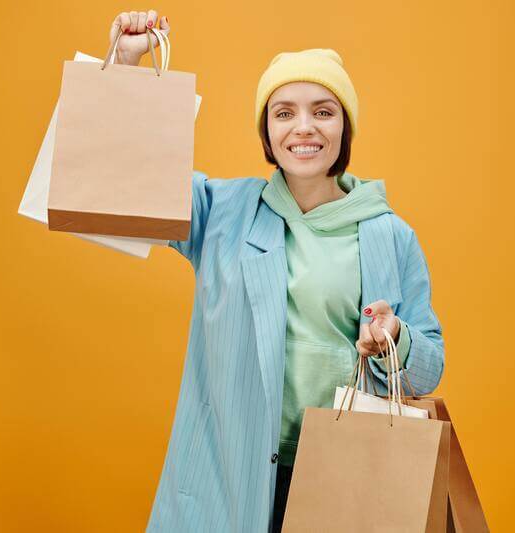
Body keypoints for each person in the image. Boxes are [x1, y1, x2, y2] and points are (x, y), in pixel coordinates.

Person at [110, 10, 445, 533]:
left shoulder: (389, 234)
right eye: (284, 112)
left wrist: (396, 335)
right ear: (267, 131)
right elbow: (135, 176)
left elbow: (428, 369)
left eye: (324, 111)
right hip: (229, 475)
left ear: (345, 126)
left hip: (344, 478)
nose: (304, 127)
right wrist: (129, 65)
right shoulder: (221, 211)